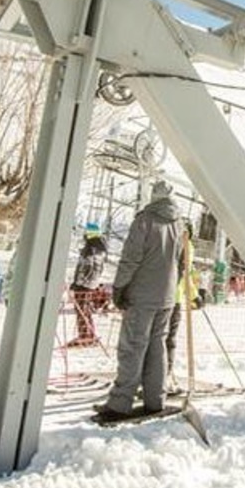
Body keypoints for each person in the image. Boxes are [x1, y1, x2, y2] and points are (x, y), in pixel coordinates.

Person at [93, 179, 184, 422]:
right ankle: (155, 399)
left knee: (132, 346)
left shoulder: (144, 220)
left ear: (153, 196)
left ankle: (120, 402)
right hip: (166, 297)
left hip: (142, 295)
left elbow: (131, 258)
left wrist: (120, 286)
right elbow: (181, 262)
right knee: (158, 346)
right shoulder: (179, 223)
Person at [166, 222, 199, 392]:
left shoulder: (164, 240)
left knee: (154, 340)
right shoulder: (186, 245)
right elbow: (184, 274)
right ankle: (165, 378)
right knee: (168, 340)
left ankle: (151, 378)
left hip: (155, 297)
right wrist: (194, 296)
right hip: (173, 299)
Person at [68, 223, 108, 347]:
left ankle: (85, 336)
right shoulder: (100, 249)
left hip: (83, 286)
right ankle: (88, 334)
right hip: (91, 285)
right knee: (85, 311)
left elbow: (85, 267)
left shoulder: (90, 249)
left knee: (81, 311)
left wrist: (77, 283)